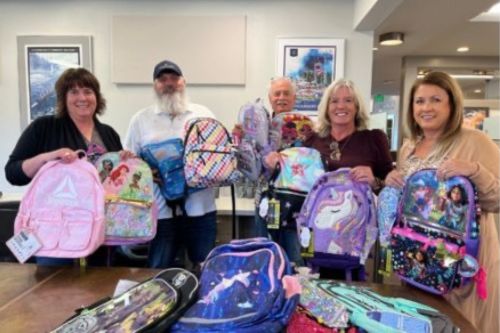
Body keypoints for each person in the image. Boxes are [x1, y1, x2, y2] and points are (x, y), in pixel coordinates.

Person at [384, 71, 499, 333]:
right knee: (422, 320)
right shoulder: (409, 147)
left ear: (452, 104)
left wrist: (474, 170)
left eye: (435, 100)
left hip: (460, 259)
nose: (426, 108)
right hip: (419, 256)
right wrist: (393, 180)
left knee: (458, 324)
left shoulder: (474, 141)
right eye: (419, 101)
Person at [266, 79, 393, 278]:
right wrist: (277, 160)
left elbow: (390, 187)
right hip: (315, 231)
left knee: (349, 286)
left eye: (348, 100)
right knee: (311, 283)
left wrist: (375, 181)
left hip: (353, 235)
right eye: (334, 101)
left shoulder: (373, 139)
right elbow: (296, 178)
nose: (341, 106)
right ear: (326, 108)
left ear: (357, 106)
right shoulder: (313, 140)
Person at [4, 67, 126, 266]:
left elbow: (116, 185)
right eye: (74, 92)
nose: (82, 97)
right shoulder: (43, 127)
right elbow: (13, 173)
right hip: (55, 234)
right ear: (63, 97)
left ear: (97, 97)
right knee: (55, 292)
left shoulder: (108, 134)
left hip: (98, 232)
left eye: (88, 91)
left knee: (98, 291)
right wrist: (47, 157)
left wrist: (124, 162)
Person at [125, 60, 217, 270]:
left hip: (201, 208)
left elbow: (218, 155)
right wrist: (146, 171)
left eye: (174, 78)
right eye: (162, 79)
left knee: (205, 268)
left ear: (183, 82)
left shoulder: (204, 115)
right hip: (161, 212)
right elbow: (130, 165)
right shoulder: (140, 120)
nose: (169, 83)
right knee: (159, 268)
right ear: (155, 85)